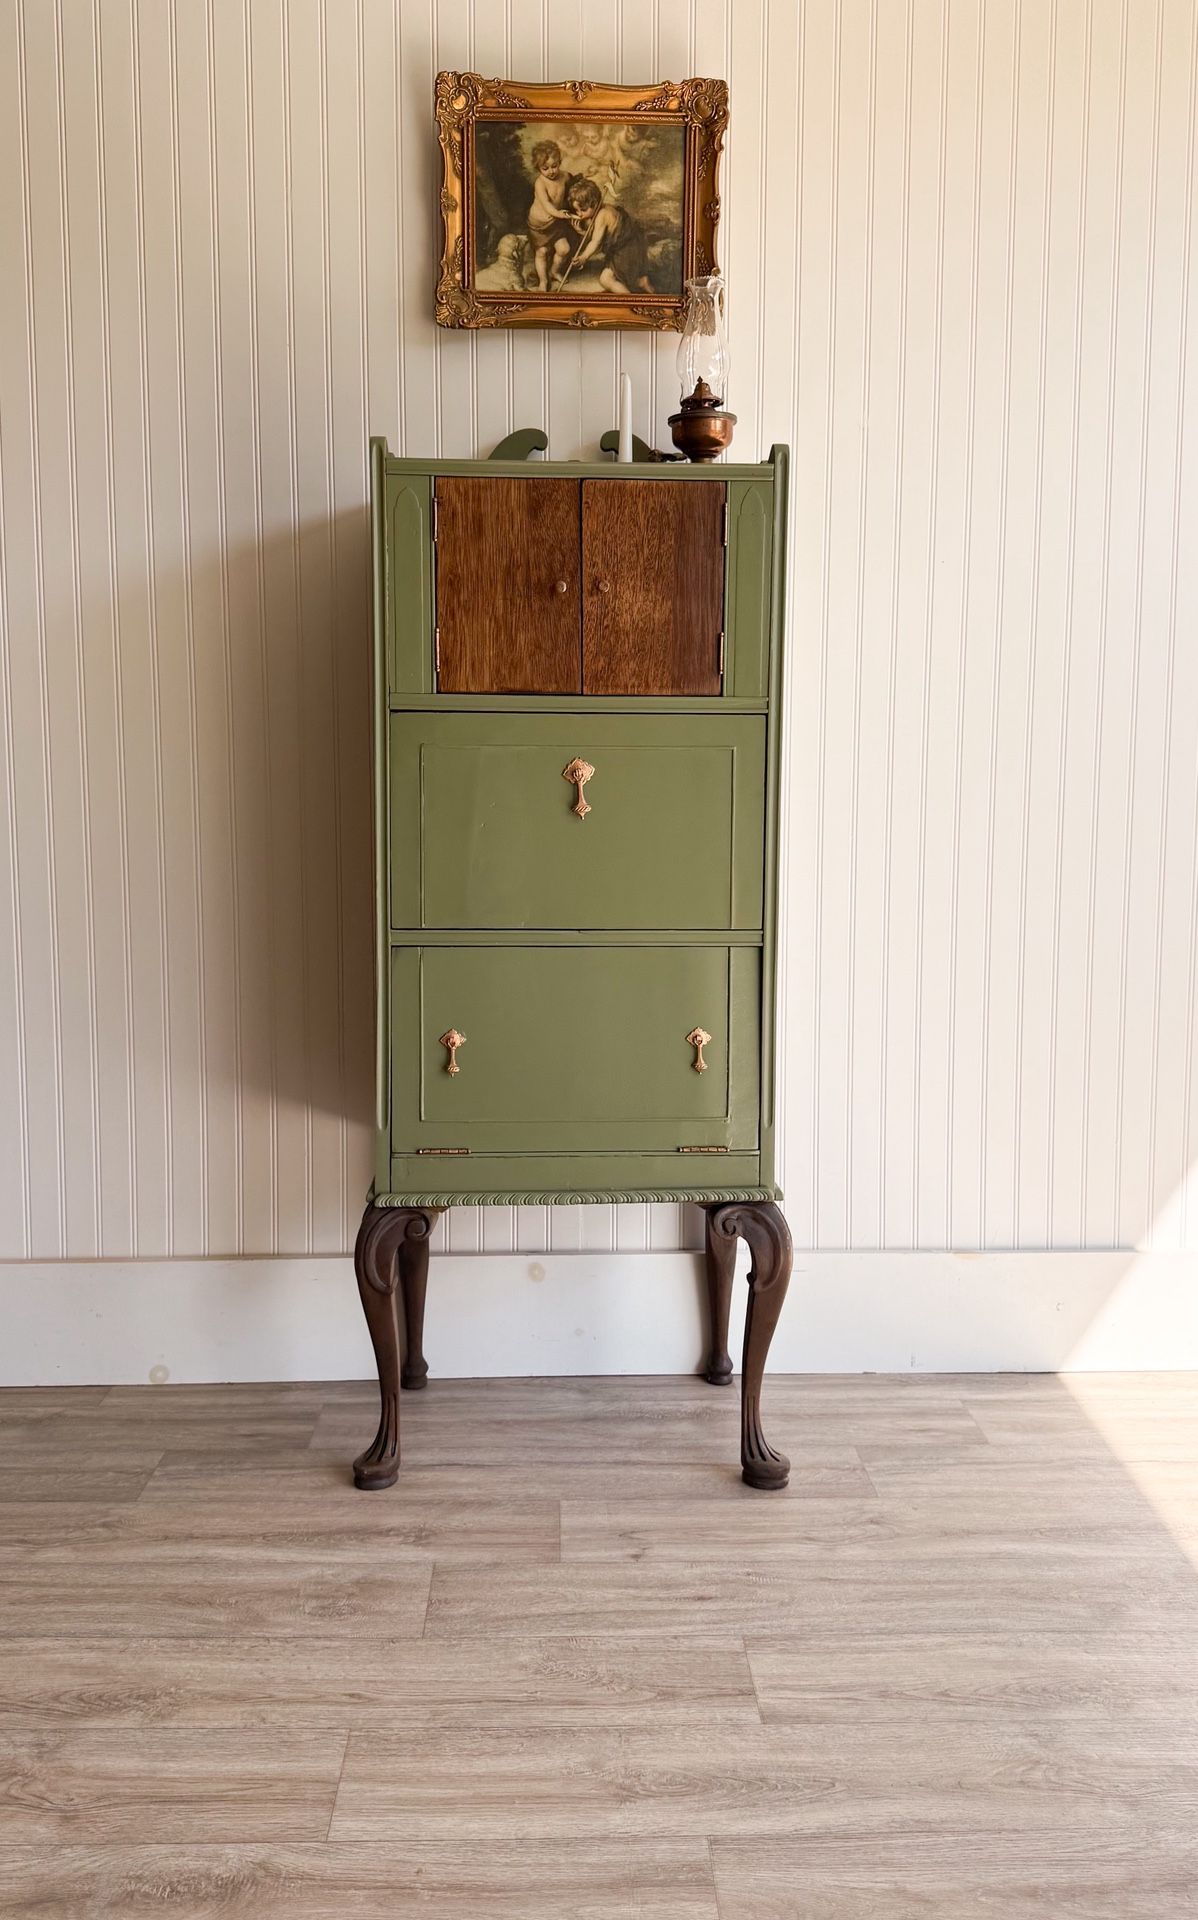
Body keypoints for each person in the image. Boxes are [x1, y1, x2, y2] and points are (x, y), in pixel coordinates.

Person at [561, 177, 653, 293]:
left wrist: (583, 257)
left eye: (582, 210)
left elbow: (596, 241)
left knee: (606, 280)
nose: (579, 214)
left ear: (594, 204)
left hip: (626, 251)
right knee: (623, 277)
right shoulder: (601, 210)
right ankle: (641, 281)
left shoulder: (602, 215)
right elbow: (597, 236)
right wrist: (581, 232)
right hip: (631, 245)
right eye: (577, 210)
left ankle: (629, 301)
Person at [526, 141, 573, 291]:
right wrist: (559, 214)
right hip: (539, 225)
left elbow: (574, 187)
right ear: (538, 168)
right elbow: (546, 205)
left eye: (555, 166)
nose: (551, 171)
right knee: (542, 252)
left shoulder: (565, 176)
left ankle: (554, 271)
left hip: (556, 222)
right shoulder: (540, 183)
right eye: (545, 168)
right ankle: (543, 281)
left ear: (559, 162)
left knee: (564, 249)